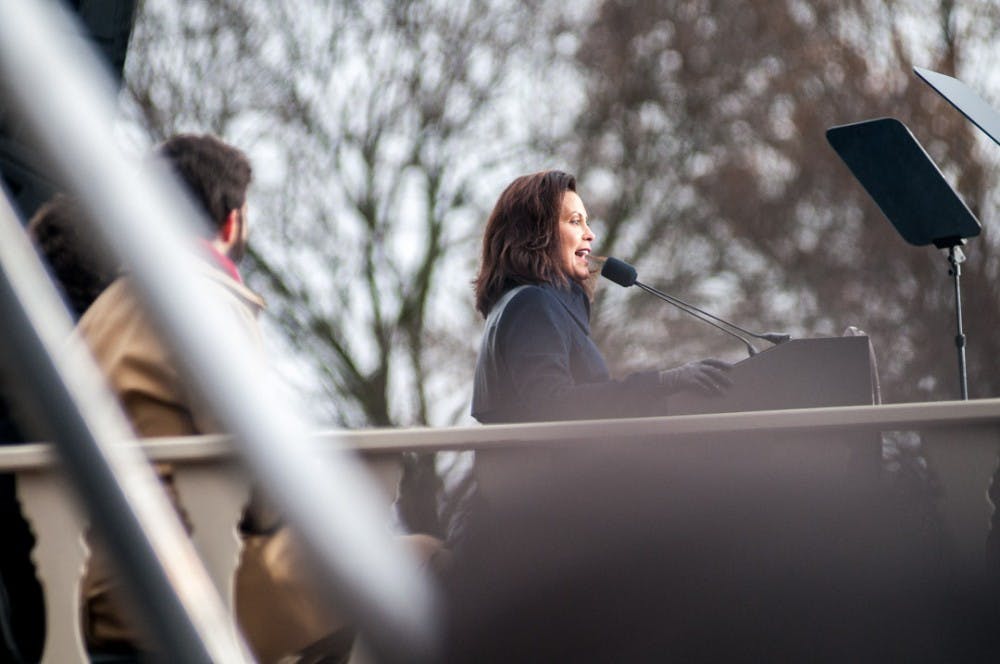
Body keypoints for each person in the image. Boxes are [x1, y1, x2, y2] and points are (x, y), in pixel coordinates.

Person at [472, 169, 732, 424]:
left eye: (586, 221)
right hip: (552, 467)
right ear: (535, 233)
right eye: (575, 221)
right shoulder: (532, 305)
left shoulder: (525, 303)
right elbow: (551, 405)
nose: (590, 233)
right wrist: (663, 383)